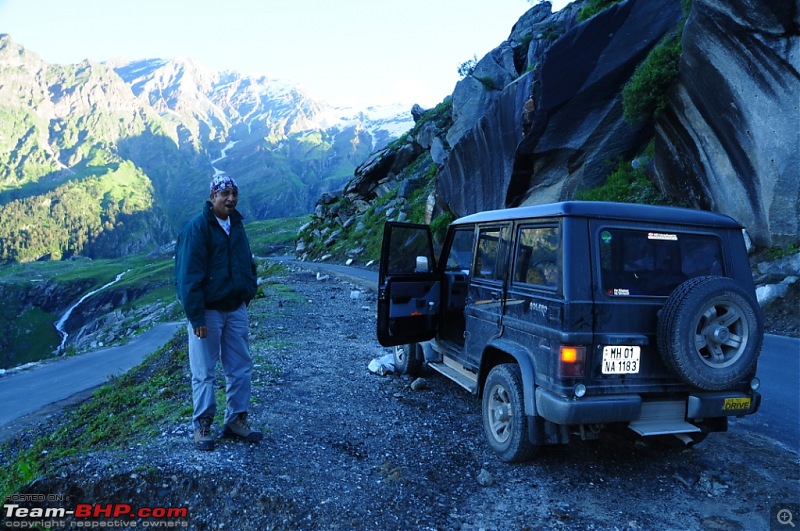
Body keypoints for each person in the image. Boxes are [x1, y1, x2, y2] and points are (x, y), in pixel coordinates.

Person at [174, 174, 263, 451]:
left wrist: (247, 292)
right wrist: (196, 316)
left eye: (234, 193)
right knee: (203, 371)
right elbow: (187, 275)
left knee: (240, 368)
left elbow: (246, 261)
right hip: (208, 312)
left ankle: (236, 420)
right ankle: (202, 425)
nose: (230, 199)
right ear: (212, 197)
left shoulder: (236, 225)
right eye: (224, 194)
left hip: (235, 308)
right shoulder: (198, 228)